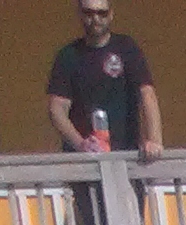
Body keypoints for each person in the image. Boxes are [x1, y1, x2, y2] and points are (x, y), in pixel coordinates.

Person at [46, 0, 162, 157]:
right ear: (80, 14)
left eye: (102, 13)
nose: (96, 18)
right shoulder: (68, 56)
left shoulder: (127, 48)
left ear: (111, 14)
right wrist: (81, 145)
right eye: (89, 13)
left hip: (127, 156)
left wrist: (154, 141)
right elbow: (57, 109)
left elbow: (147, 94)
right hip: (83, 163)